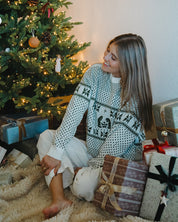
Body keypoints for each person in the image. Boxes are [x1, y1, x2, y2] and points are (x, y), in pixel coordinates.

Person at [37, 33, 154, 219]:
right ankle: (59, 199)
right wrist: (57, 150)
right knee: (47, 138)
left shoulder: (134, 98)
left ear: (128, 65)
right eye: (108, 50)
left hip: (114, 162)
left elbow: (113, 149)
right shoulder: (94, 73)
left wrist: (86, 170)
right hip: (90, 150)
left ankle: (71, 177)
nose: (105, 58)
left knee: (81, 185)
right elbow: (74, 112)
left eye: (113, 57)